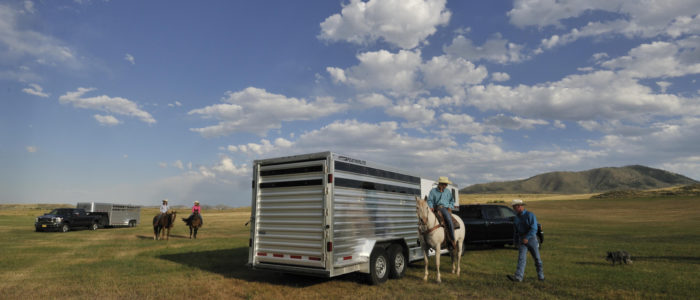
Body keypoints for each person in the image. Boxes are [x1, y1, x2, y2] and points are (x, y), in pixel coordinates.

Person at [507, 199, 544, 282]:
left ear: (519, 206)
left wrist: (527, 238)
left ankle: (541, 276)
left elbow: (534, 228)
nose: (513, 209)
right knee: (521, 259)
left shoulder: (530, 215)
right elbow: (516, 231)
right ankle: (518, 277)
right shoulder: (516, 218)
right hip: (521, 240)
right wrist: (515, 241)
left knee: (537, 258)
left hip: (531, 239)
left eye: (514, 207)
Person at [427, 176, 455, 249]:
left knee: (449, 220)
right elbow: (429, 200)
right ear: (440, 184)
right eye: (444, 184)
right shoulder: (433, 191)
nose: (446, 186)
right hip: (436, 208)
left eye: (446, 184)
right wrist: (430, 206)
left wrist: (450, 206)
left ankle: (452, 240)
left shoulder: (447, 191)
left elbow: (452, 200)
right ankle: (424, 239)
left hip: (445, 208)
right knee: (425, 220)